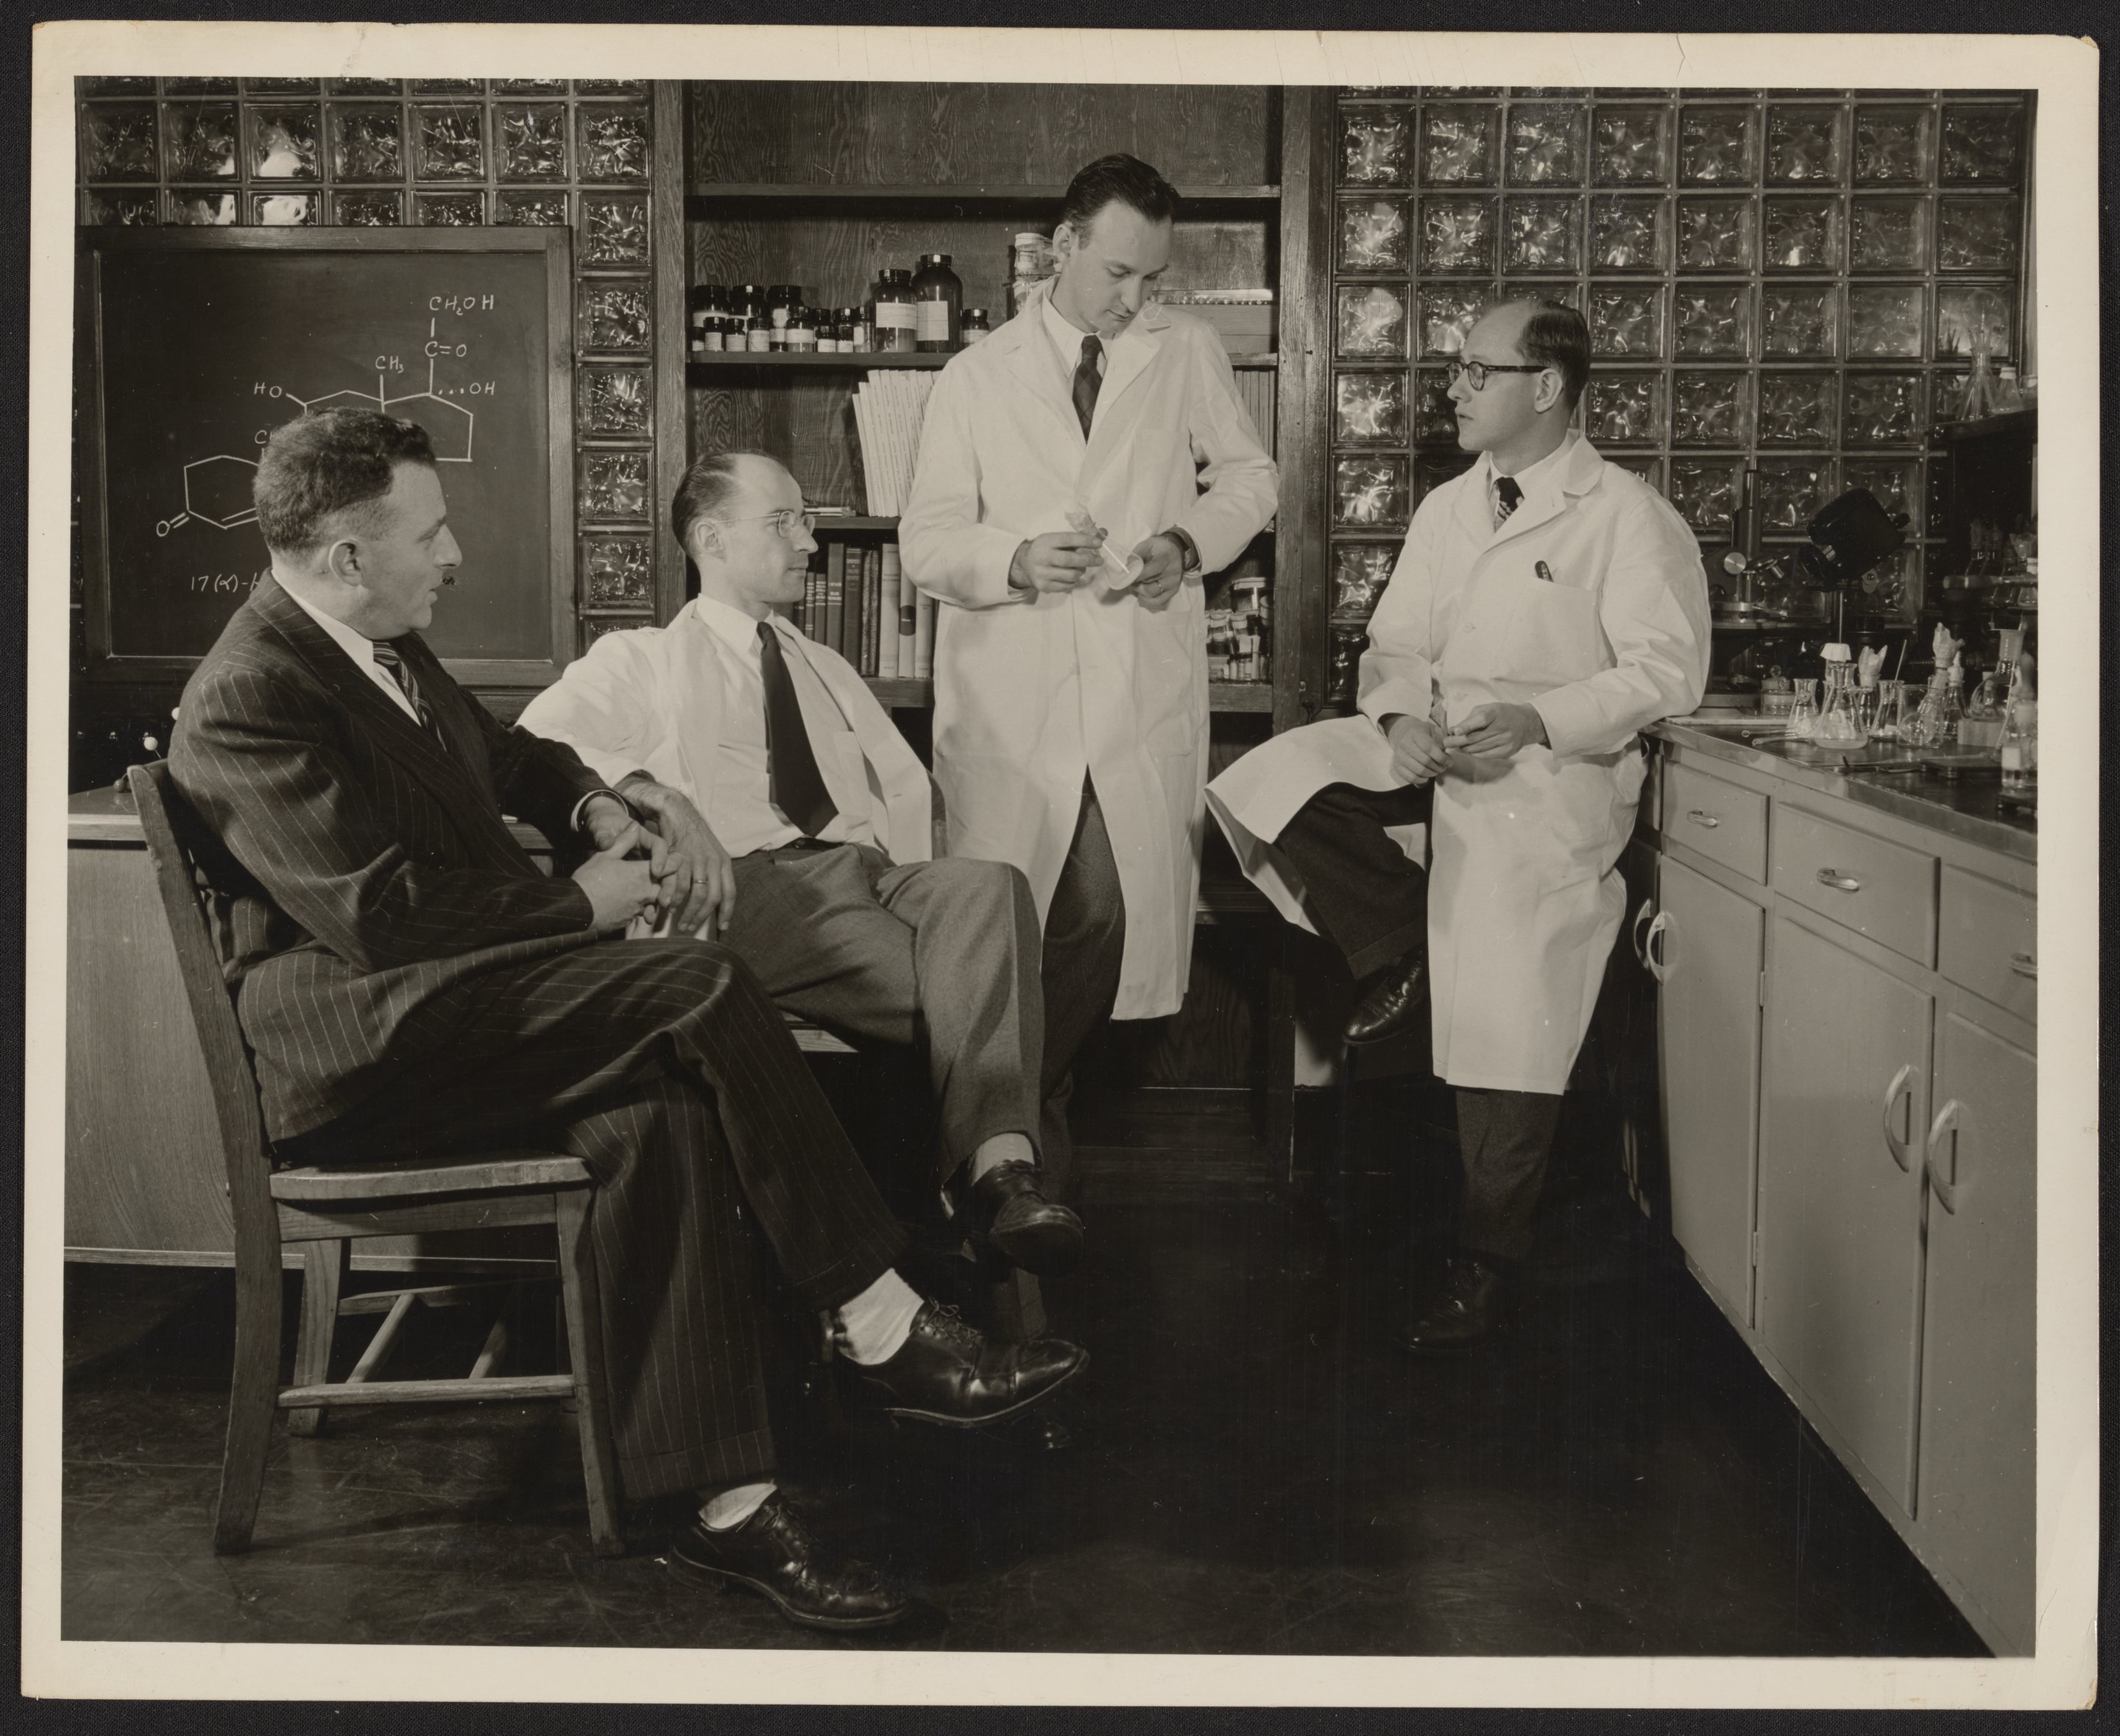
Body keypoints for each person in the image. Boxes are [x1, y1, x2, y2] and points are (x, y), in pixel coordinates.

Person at [168, 409, 1088, 1632]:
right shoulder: (251, 690)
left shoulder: (379, 645)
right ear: (347, 553)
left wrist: (603, 805)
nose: (453, 554)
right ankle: (881, 1321)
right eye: (430, 533)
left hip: (451, 1006)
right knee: (698, 983)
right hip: (362, 1044)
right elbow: (380, 916)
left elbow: (518, 757)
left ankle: (729, 1505)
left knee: (661, 1112)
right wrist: (580, 901)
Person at [1207, 300, 1709, 1352]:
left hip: (1549, 777)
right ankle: (1404, 947)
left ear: (1548, 387)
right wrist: (1400, 719)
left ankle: (1486, 1258)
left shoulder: (1626, 515)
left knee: (1511, 1016)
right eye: (1459, 370)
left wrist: (1540, 718)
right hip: (1438, 749)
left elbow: (1666, 673)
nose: (1456, 389)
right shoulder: (1449, 507)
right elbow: (1394, 646)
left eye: (1480, 372)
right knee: (1273, 777)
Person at [518, 451, 1081, 1277]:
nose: (809, 543)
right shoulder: (640, 658)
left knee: (992, 886)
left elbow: (896, 800)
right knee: (993, 988)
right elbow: (538, 743)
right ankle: (1000, 1183)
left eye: (806, 521)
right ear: (711, 539)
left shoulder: (822, 666)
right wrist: (658, 798)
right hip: (755, 885)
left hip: (868, 875)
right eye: (783, 522)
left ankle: (979, 1195)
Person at [898, 152, 1279, 1180]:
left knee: (1104, 911)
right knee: (1011, 927)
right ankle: (1022, 1164)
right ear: (1061, 246)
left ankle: (996, 1136)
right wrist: (1014, 559)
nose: (1133, 299)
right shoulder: (975, 375)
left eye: (1152, 278)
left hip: (1130, 681)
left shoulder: (1185, 350)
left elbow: (1251, 478)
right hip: (1013, 692)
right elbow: (927, 540)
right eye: (1117, 272)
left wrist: (1187, 542)